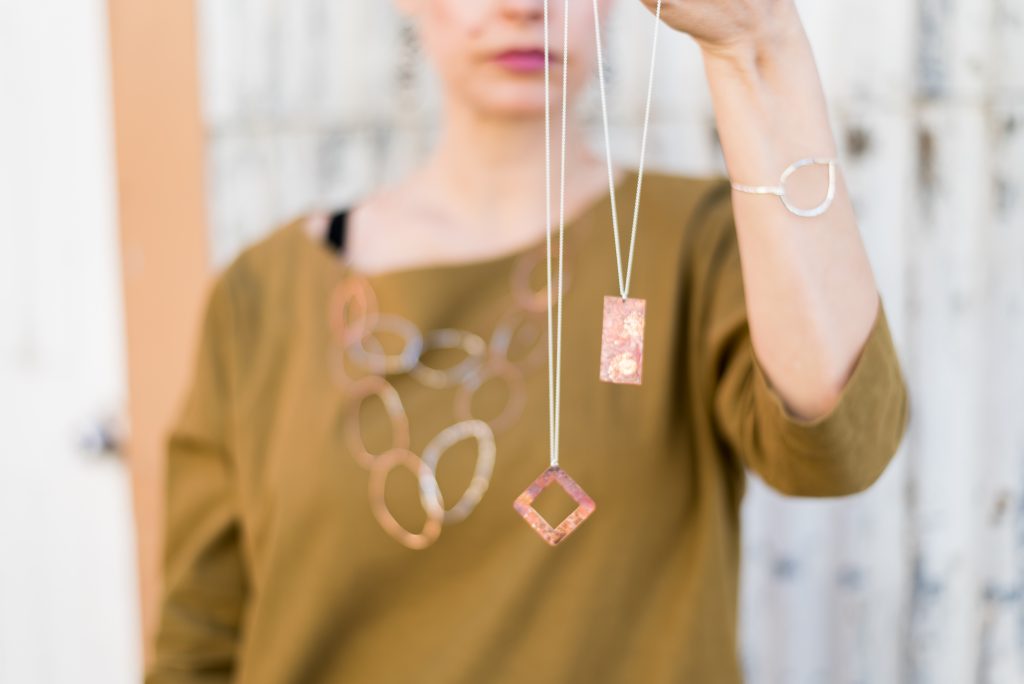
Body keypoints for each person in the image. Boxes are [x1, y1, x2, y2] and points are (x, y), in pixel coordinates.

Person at [145, 0, 910, 681]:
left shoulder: (700, 242)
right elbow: (197, 638)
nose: (524, 7)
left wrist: (760, 41)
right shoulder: (262, 294)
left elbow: (843, 442)